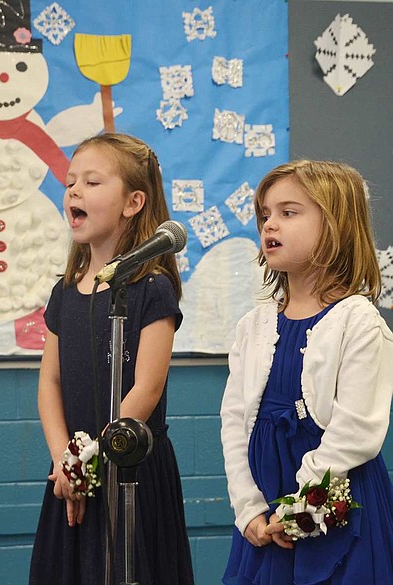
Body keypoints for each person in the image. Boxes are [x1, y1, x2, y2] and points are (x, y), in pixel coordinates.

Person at [29, 133, 194, 585]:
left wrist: (93, 458)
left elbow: (148, 387)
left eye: (92, 182)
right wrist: (67, 460)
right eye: (70, 183)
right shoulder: (64, 293)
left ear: (133, 202)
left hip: (128, 467)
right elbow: (50, 384)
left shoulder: (152, 288)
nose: (74, 191)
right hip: (72, 471)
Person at [220, 159, 393, 584]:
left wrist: (297, 509)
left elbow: (355, 432)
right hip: (265, 521)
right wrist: (249, 508)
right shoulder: (253, 326)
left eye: (288, 212)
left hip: (333, 513)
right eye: (265, 215)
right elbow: (234, 424)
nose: (270, 225)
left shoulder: (359, 322)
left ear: (334, 226)